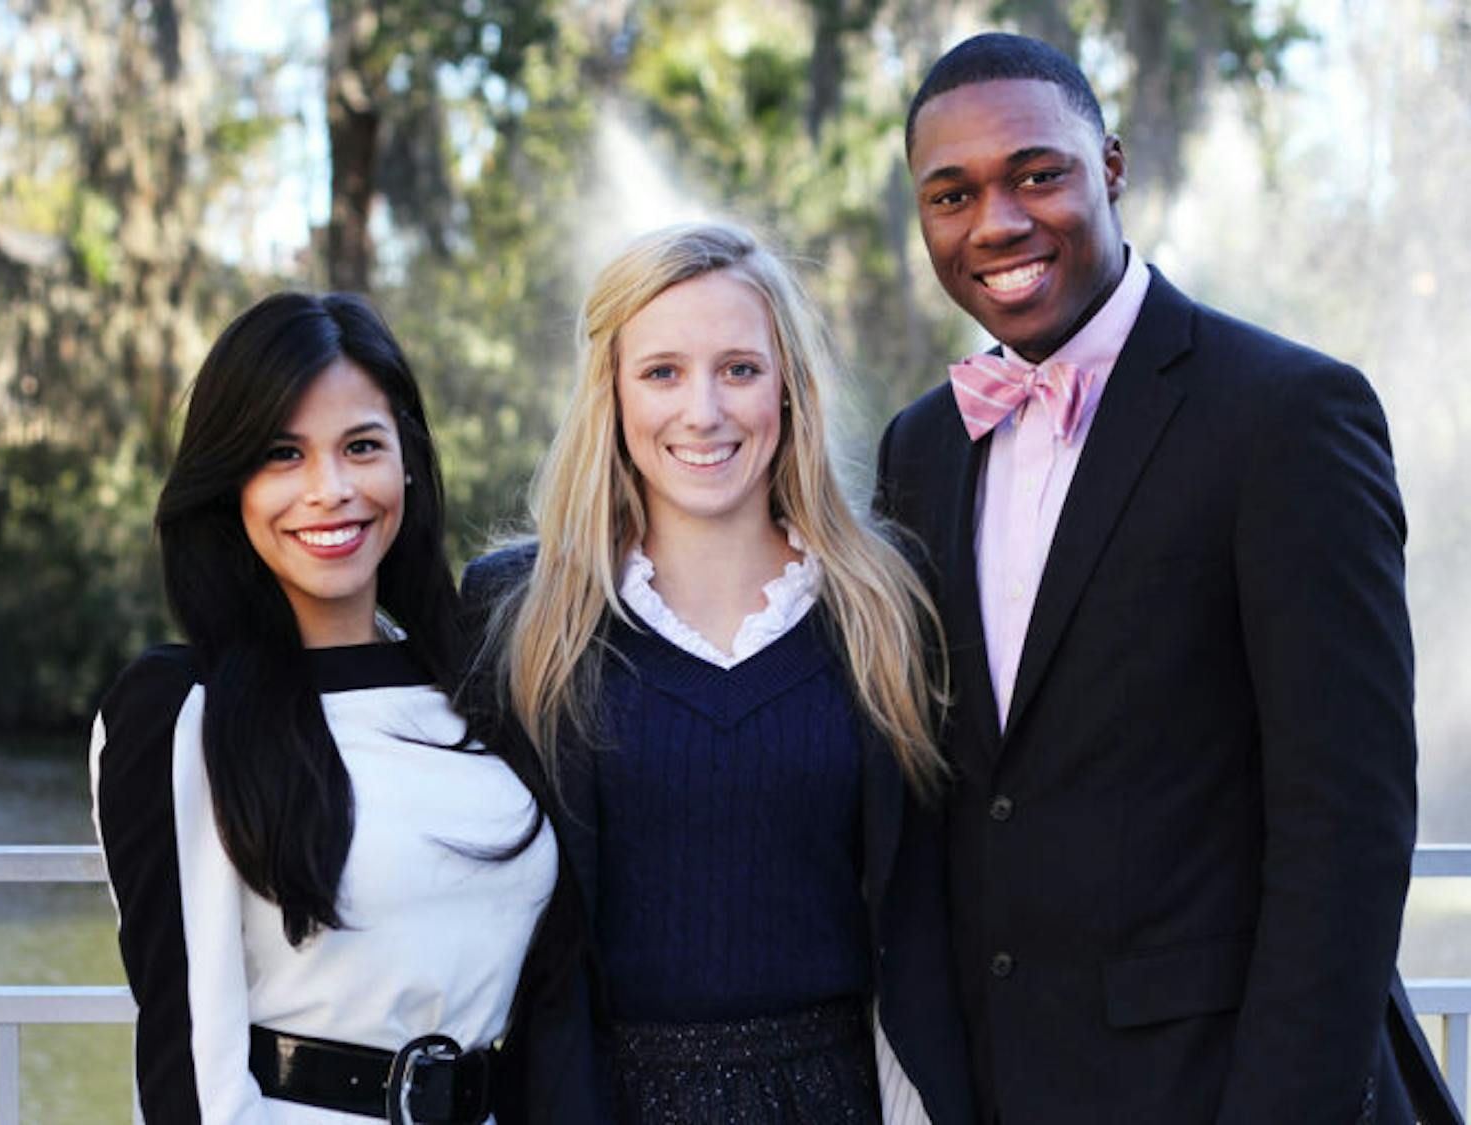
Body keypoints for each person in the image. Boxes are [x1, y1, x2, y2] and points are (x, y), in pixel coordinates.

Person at [874, 31, 1449, 1125]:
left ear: (1115, 168)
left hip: (1225, 1088)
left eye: (1037, 174)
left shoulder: (1285, 415)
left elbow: (1350, 824)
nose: (996, 222)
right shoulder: (922, 448)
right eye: (951, 195)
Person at [462, 222, 976, 1124]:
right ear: (612, 394)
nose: (703, 410)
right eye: (662, 372)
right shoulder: (522, 613)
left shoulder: (886, 603)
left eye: (739, 368)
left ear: (789, 388)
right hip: (600, 1100)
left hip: (837, 1097)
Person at [90, 292, 559, 1124]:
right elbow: (186, 1064)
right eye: (283, 454)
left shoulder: (485, 681)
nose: (330, 489)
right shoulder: (182, 711)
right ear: (230, 482)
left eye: (361, 446)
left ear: (406, 461)